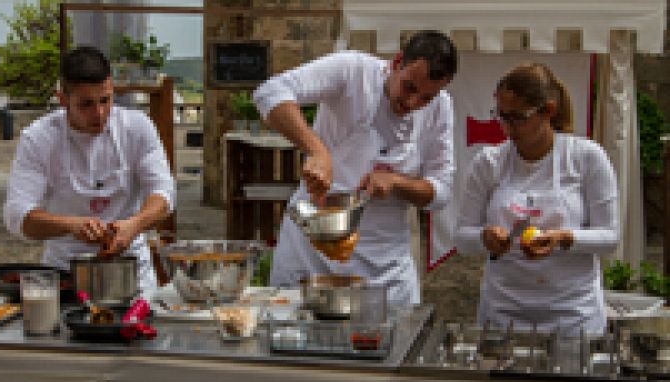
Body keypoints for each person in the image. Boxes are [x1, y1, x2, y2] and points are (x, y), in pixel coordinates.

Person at [253, 30, 458, 305]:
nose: (412, 103)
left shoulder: (441, 109)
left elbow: (441, 192)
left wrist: (397, 182)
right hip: (313, 251)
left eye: (426, 98)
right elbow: (270, 92)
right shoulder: (353, 70)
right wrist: (317, 150)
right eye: (409, 87)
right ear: (396, 62)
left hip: (384, 265)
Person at [455, 62, 619, 336]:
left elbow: (610, 238)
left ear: (548, 111)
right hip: (503, 311)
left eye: (518, 118)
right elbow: (461, 238)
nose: (507, 128)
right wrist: (485, 237)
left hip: (572, 314)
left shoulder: (586, 157)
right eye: (501, 116)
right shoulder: (489, 163)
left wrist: (563, 238)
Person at [4, 46, 175, 290]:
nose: (99, 113)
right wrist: (70, 226)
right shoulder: (38, 138)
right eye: (86, 104)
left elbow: (164, 193)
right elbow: (17, 216)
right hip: (64, 275)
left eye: (105, 100)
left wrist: (134, 225)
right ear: (63, 99)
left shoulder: (137, 128)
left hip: (131, 273)